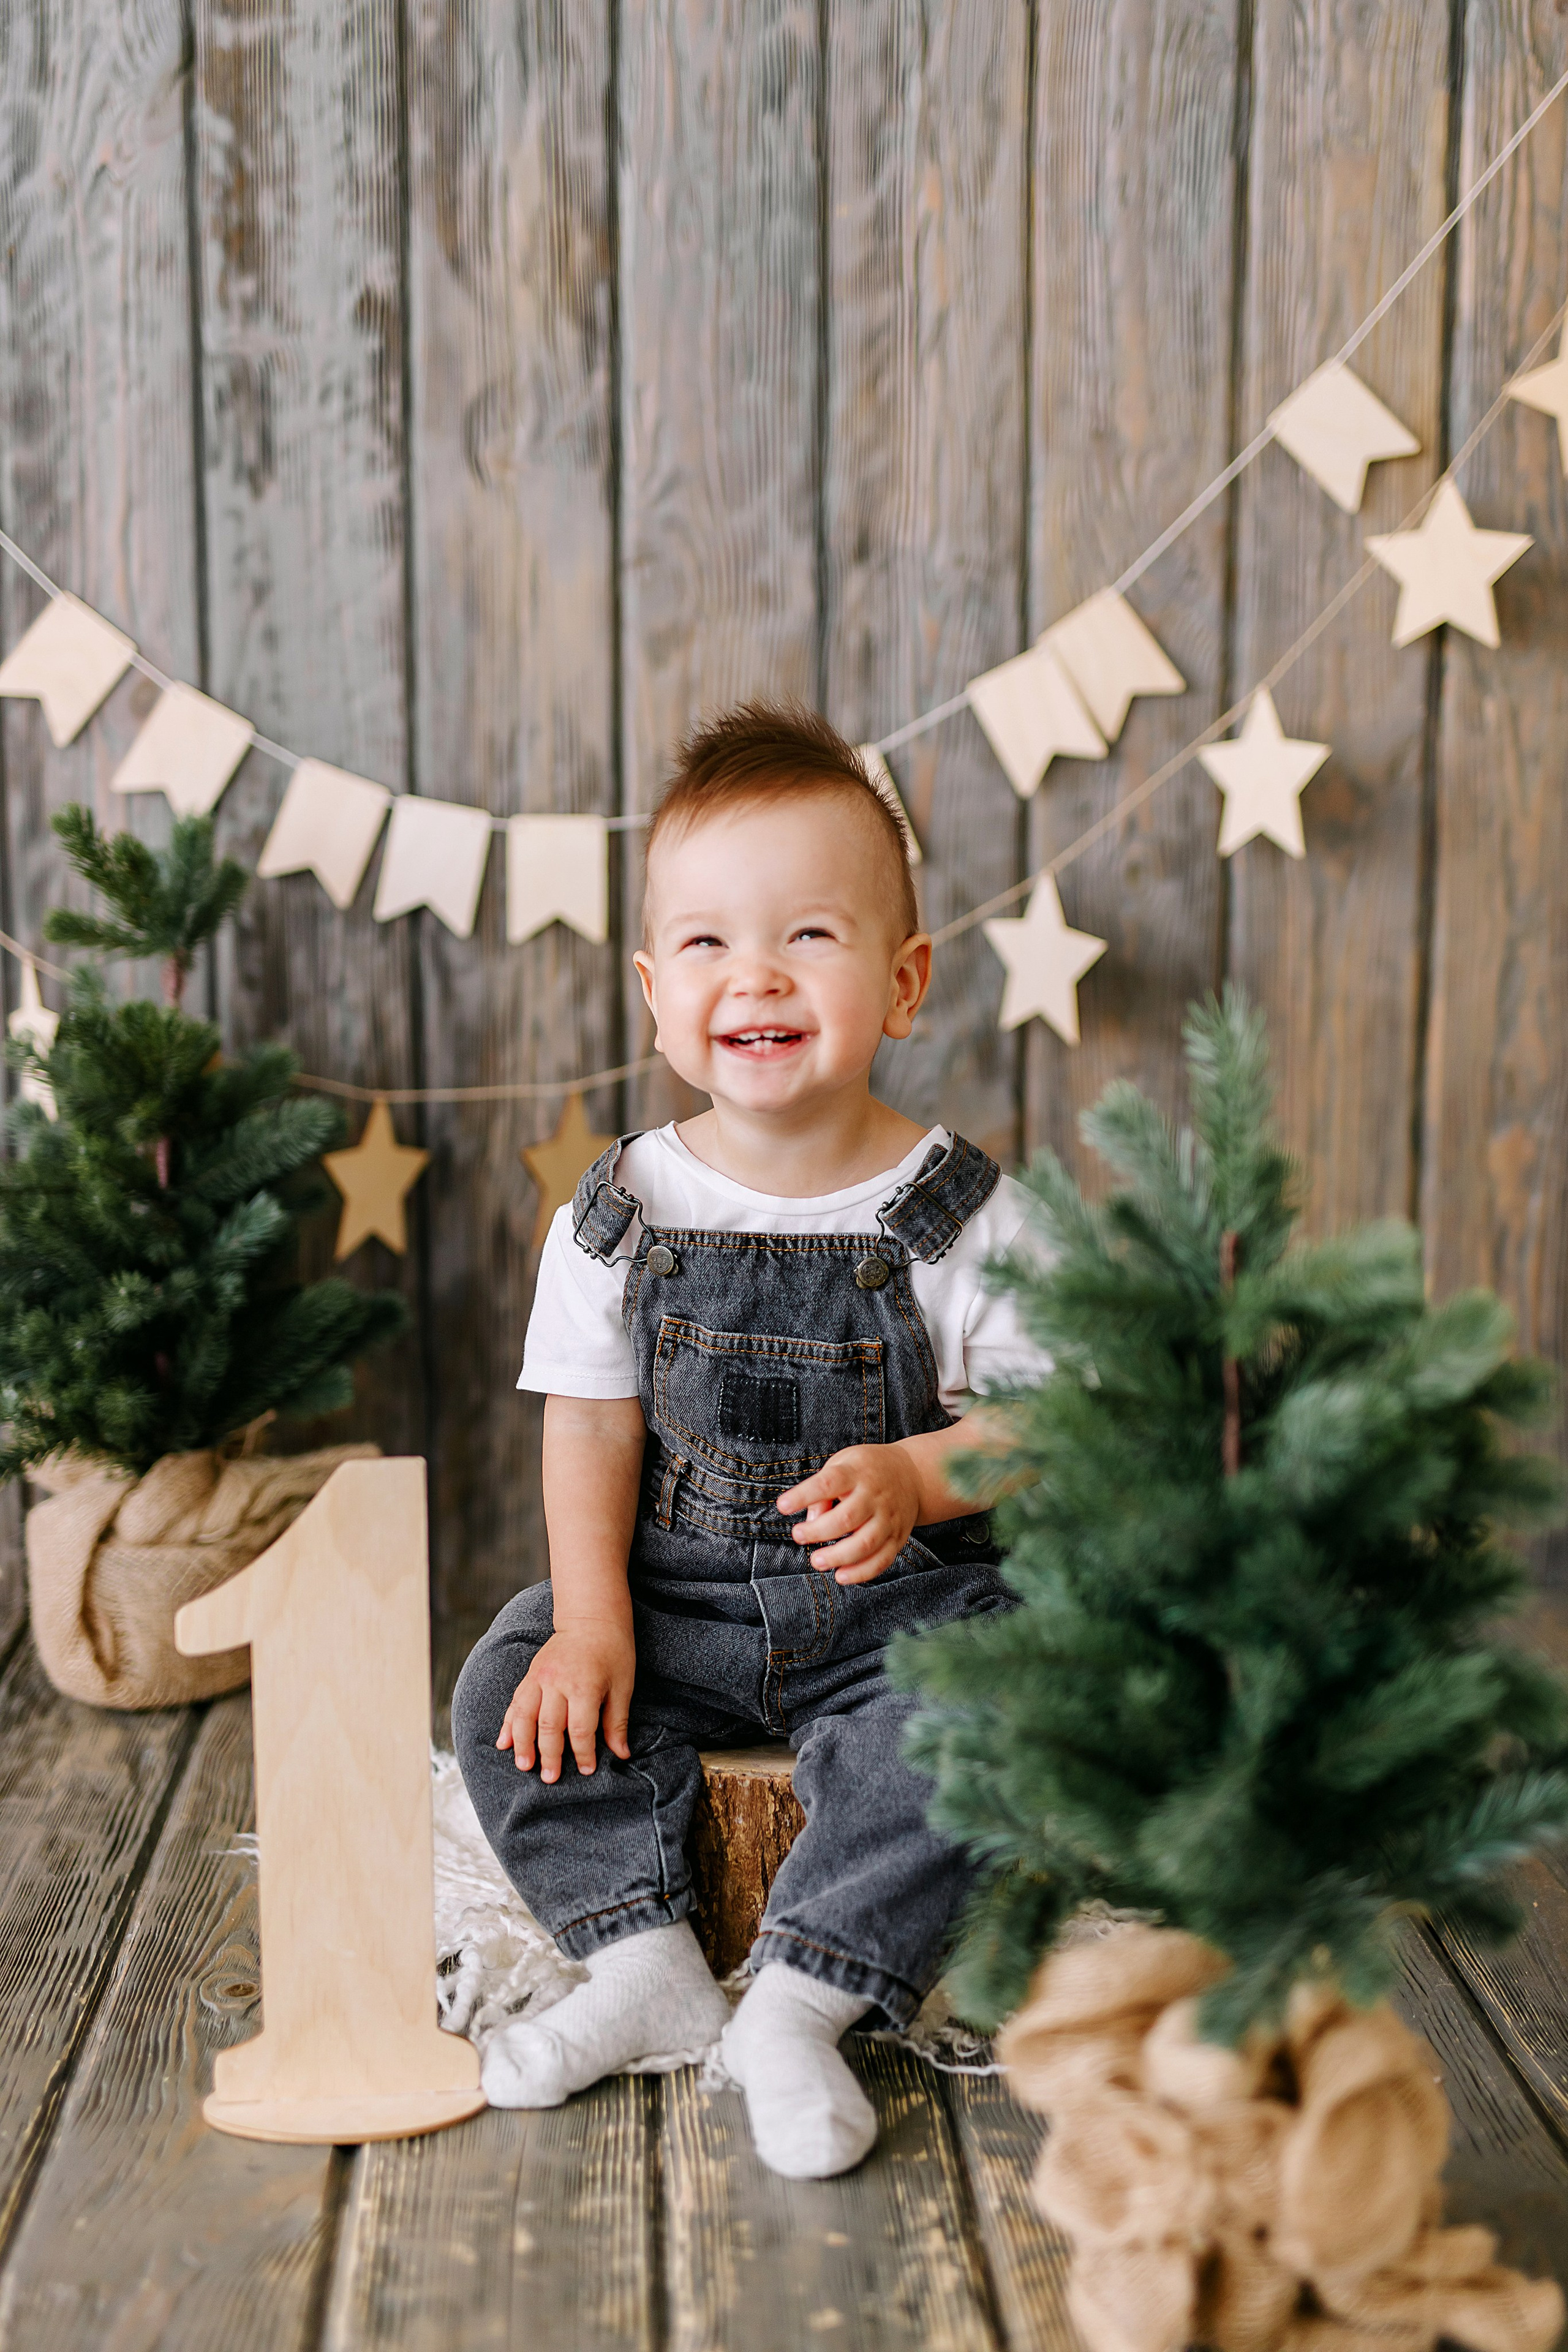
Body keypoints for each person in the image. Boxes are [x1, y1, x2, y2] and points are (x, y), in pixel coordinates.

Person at [453, 700, 1047, 2179]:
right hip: (676, 1604)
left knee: (999, 1704)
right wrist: (592, 1621)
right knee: (503, 1688)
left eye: (809, 936)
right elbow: (590, 1426)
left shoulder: (962, 1216)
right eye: (707, 942)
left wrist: (919, 1475)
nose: (756, 974)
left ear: (902, 983)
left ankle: (803, 1995)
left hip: (893, 1609)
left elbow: (1047, 1426)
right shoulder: (618, 1214)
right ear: (657, 994)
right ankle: (640, 1960)